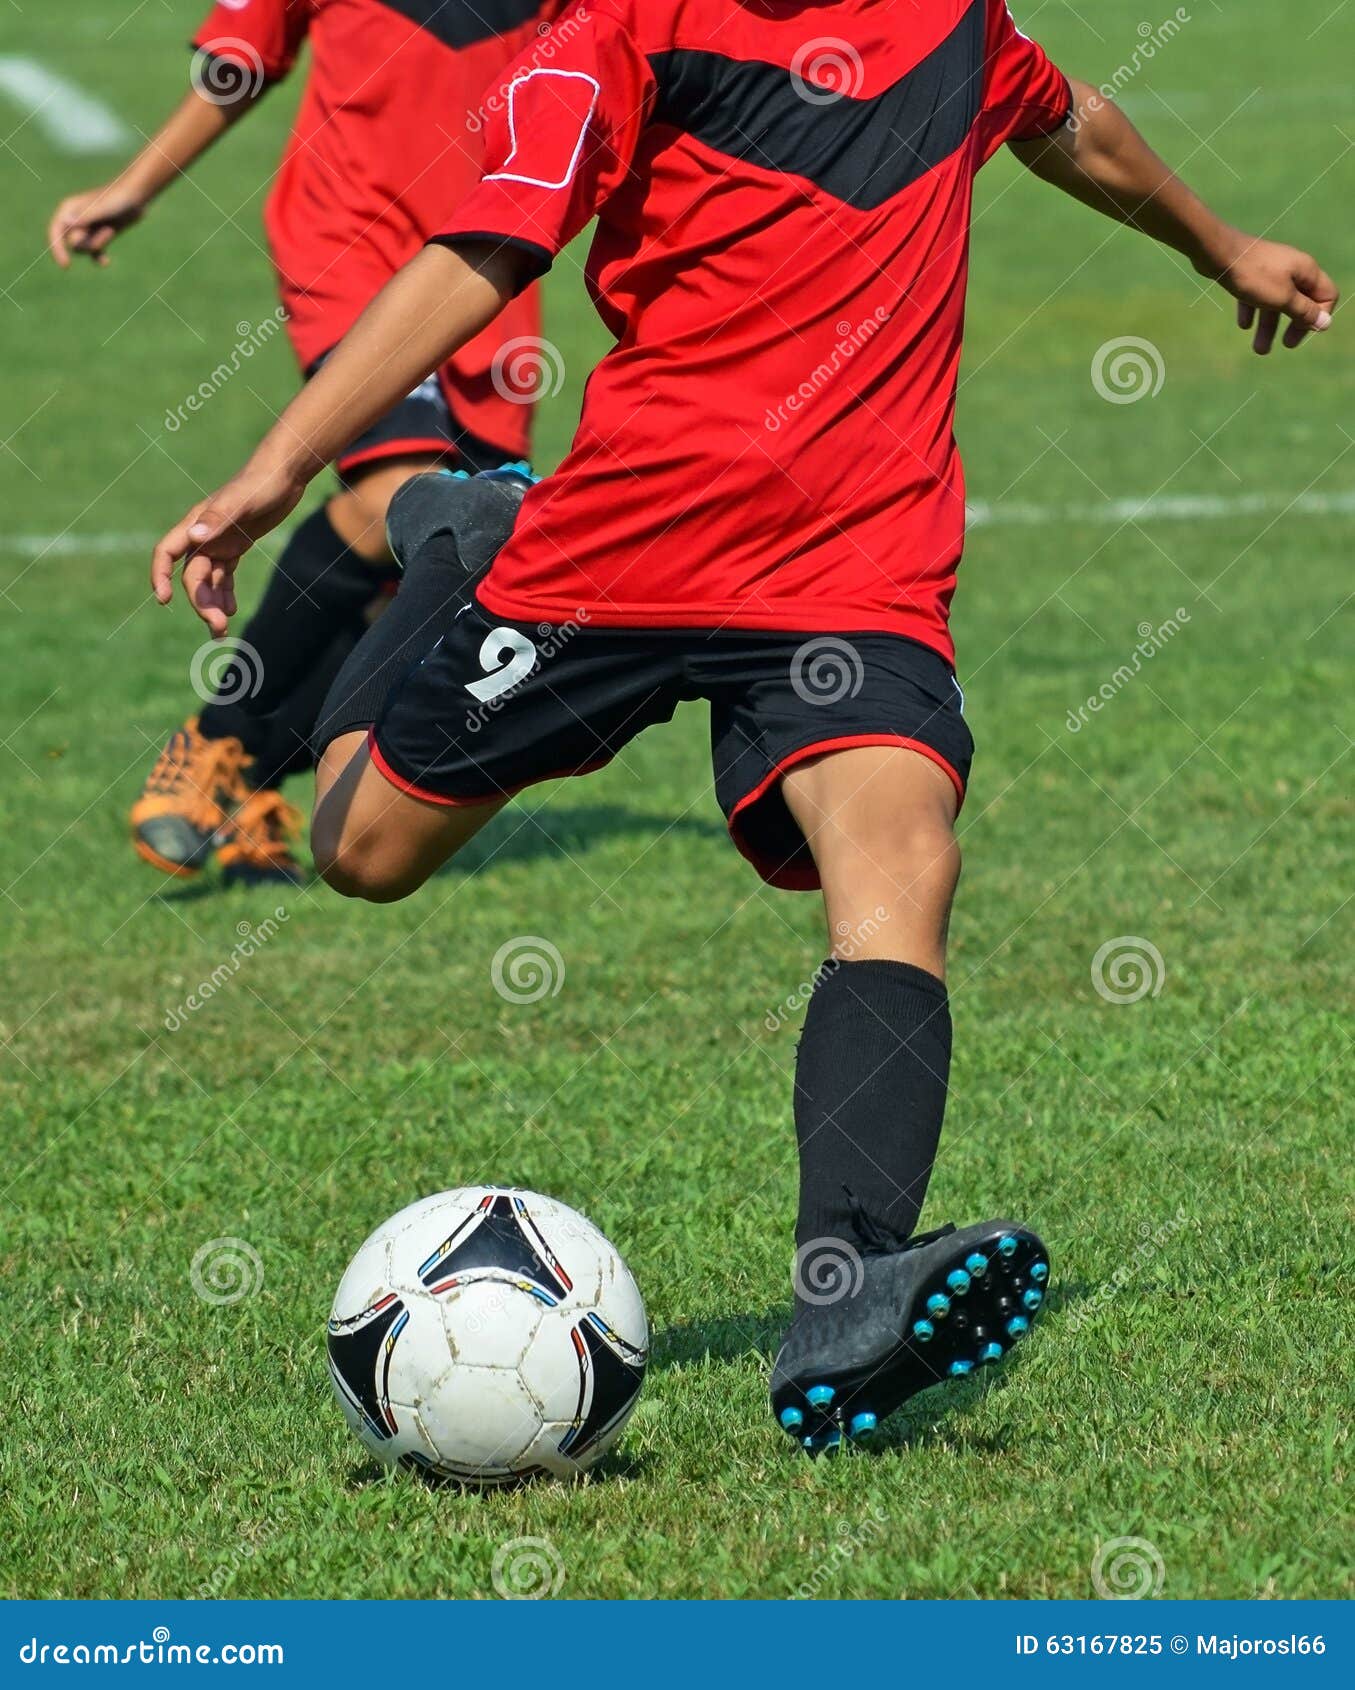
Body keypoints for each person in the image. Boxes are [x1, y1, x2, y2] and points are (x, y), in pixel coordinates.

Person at [148, 0, 1337, 1445]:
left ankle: (842, 1293)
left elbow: (1060, 117)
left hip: (852, 557)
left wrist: (1219, 246)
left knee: (900, 854)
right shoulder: (617, 29)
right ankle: (455, 552)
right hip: (623, 544)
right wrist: (275, 469)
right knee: (362, 849)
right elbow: (485, 248)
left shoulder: (947, 19)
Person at [50, 0, 561, 883]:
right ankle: (218, 741)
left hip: (492, 263)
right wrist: (134, 187)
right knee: (389, 494)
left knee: (441, 557)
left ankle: (248, 782)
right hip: (351, 240)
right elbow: (243, 56)